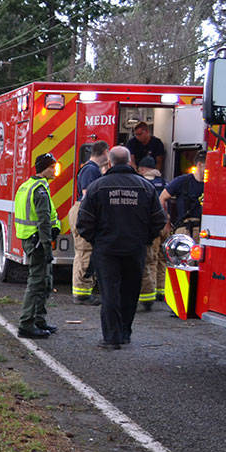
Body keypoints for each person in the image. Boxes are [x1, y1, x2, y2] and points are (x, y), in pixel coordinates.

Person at [76, 146, 166, 349]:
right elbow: (159, 220)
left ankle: (111, 338)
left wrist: (97, 240)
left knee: (110, 293)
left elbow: (84, 222)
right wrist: (145, 238)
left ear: (109, 163)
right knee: (130, 292)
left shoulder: (97, 187)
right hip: (135, 249)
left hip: (107, 250)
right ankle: (125, 333)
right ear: (129, 163)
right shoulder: (145, 187)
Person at [15, 152, 61, 339]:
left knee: (45, 281)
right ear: (45, 168)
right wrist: (47, 247)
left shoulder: (28, 185)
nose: (54, 170)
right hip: (38, 242)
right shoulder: (39, 190)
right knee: (36, 282)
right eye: (52, 167)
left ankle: (39, 321)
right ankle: (26, 324)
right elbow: (42, 221)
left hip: (32, 239)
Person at [69, 140, 108, 305]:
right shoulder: (90, 170)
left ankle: (84, 291)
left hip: (85, 212)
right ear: (104, 152)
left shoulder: (92, 170)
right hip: (85, 212)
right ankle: (82, 294)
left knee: (87, 252)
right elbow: (88, 195)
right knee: (85, 251)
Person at [136, 156, 166, 311]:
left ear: (142, 169)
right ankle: (162, 290)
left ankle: (151, 292)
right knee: (163, 258)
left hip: (151, 225)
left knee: (151, 259)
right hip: (165, 224)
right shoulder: (164, 182)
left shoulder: (142, 184)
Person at [160, 149, 207, 236]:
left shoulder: (212, 184)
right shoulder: (182, 181)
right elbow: (162, 198)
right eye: (209, 165)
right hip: (184, 229)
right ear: (200, 164)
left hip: (205, 230)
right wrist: (167, 223)